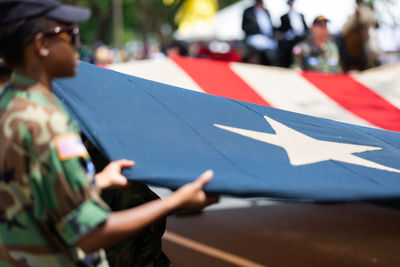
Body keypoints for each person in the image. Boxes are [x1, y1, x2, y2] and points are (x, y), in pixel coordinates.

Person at [0, 1, 218, 266]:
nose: (78, 47)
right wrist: (176, 202)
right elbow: (89, 234)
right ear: (40, 45)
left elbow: (30, 190)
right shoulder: (47, 121)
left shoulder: (11, 102)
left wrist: (98, 181)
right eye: (70, 35)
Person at [242, 0, 278, 65]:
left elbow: (271, 26)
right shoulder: (248, 11)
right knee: (258, 45)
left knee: (274, 46)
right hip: (254, 36)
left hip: (268, 38)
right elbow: (245, 26)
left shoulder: (266, 12)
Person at [278, 0, 309, 68]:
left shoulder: (300, 15)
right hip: (290, 41)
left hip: (302, 39)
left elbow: (306, 29)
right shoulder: (284, 17)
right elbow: (282, 30)